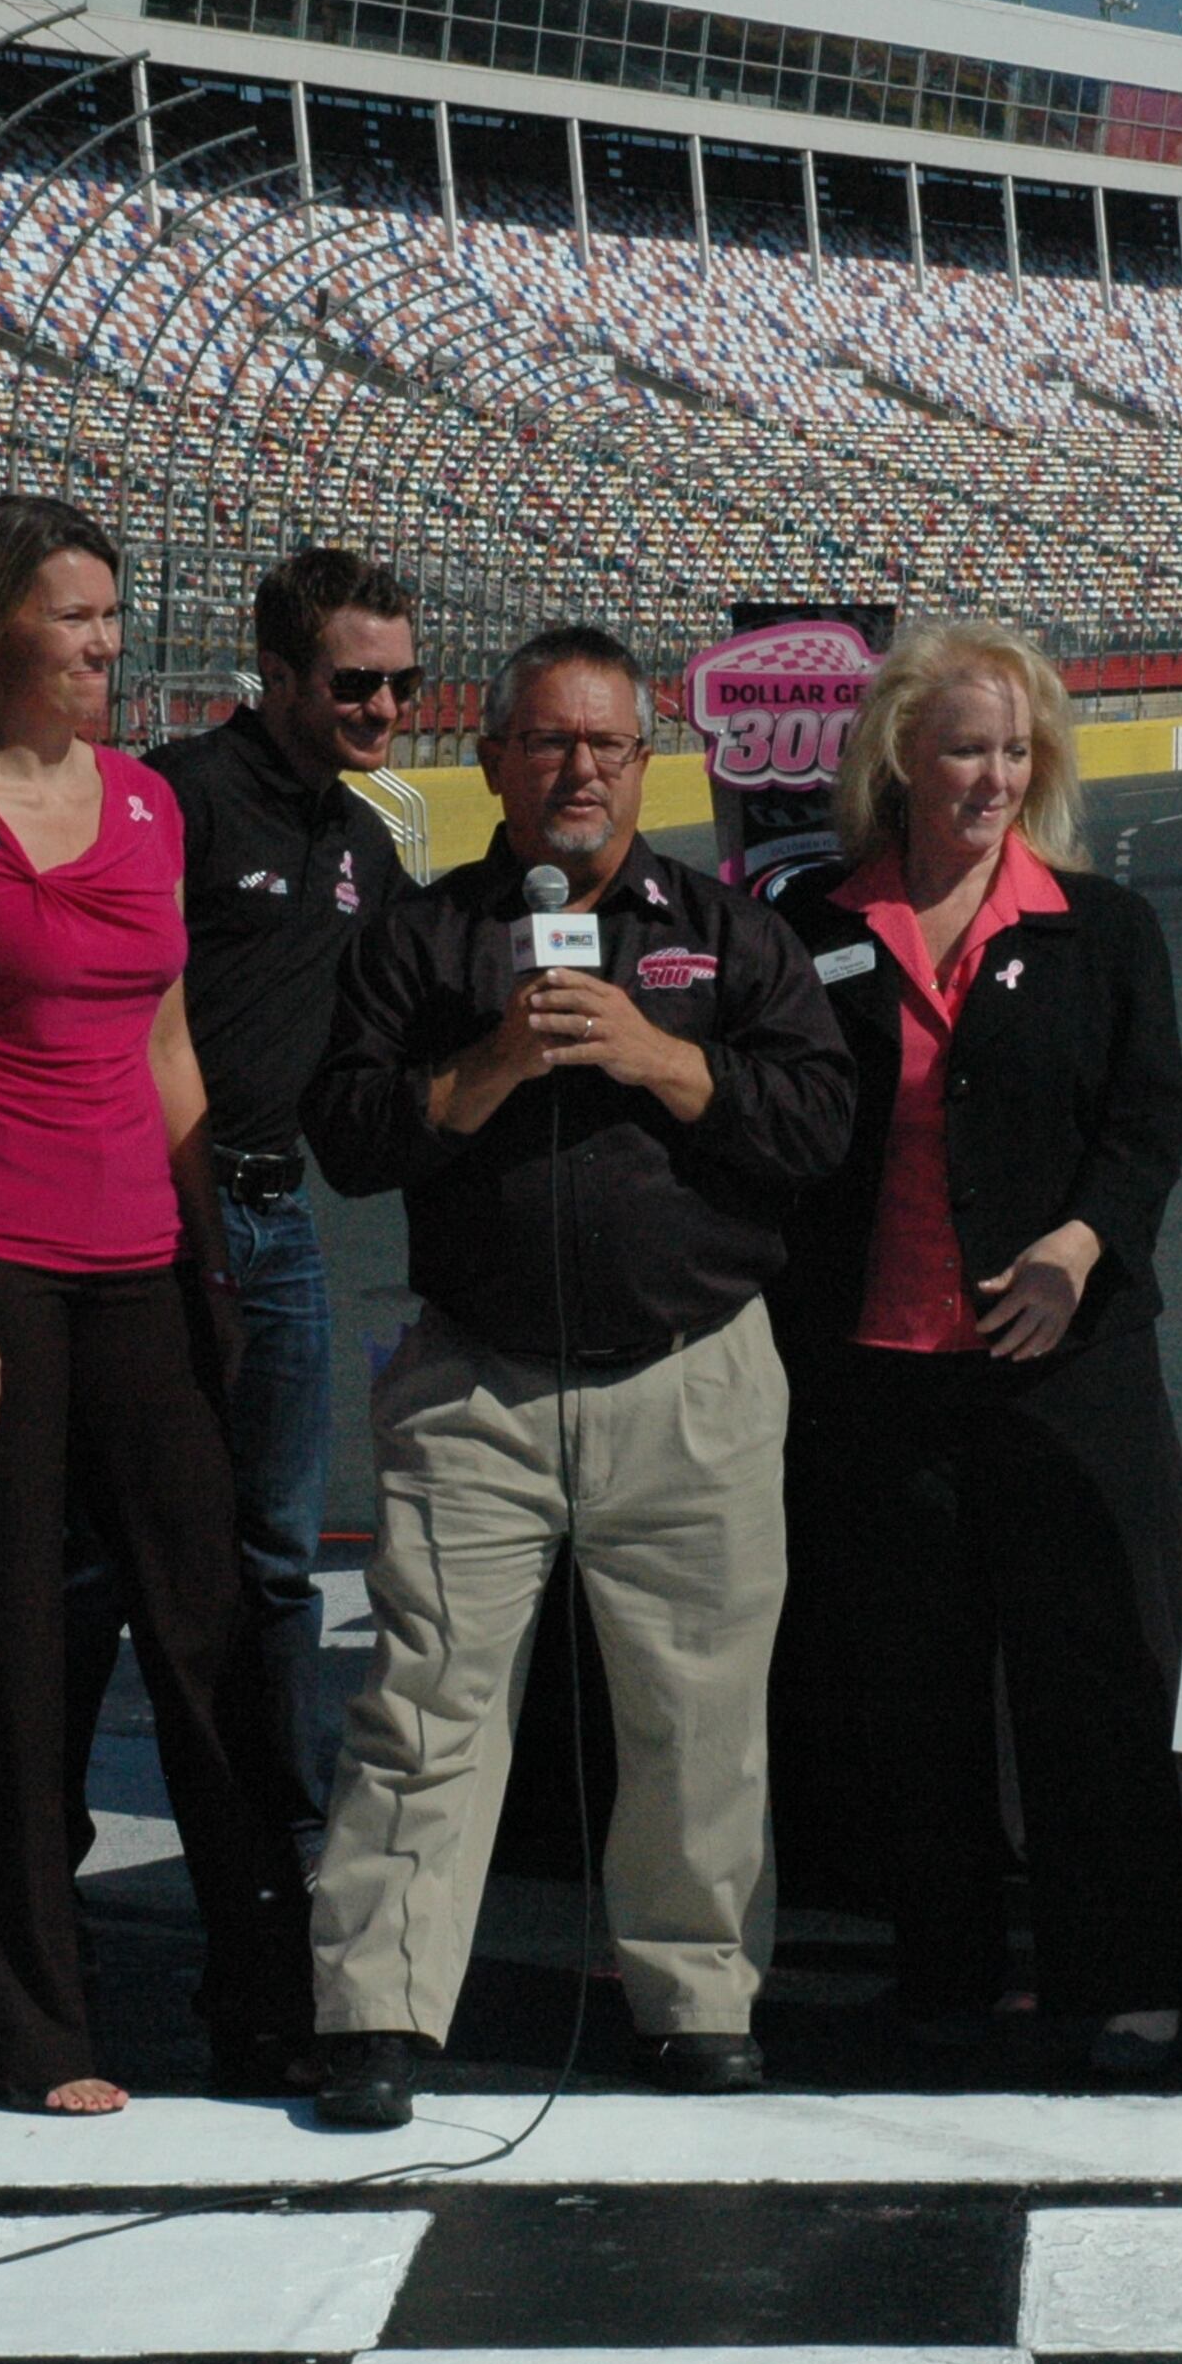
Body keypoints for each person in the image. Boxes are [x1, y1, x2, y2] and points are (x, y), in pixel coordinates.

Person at [298, 624, 853, 2126]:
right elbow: (347, 1138)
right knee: (425, 1703)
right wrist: (482, 1071)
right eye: (547, 741)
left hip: (693, 1377)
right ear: (492, 761)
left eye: (607, 744)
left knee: (698, 1716)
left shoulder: (729, 933)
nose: (579, 772)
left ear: (645, 764)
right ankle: (377, 2007)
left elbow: (818, 1126)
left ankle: (698, 1997)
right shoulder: (422, 940)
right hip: (476, 1384)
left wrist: (665, 1060)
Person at [0, 492, 312, 2113]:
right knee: (10, 1653)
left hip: (145, 1263)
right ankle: (28, 2028)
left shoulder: (146, 804)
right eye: (75, 615)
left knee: (209, 1628)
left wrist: (210, 1256)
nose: (108, 643)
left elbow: (169, 1045)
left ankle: (269, 1997)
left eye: (114, 613)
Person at [770, 621, 1182, 2077]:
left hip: (1069, 1372)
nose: (996, 777)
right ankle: (944, 1963)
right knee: (914, 1689)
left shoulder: (1103, 927)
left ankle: (1122, 1967)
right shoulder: (811, 924)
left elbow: (1149, 1122)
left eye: (1017, 751)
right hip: (879, 1371)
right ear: (901, 754)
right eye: (967, 748)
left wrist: (1081, 1246)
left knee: (1095, 1679)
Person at [99, 548, 419, 1834]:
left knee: (279, 1552)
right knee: (109, 1543)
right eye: (355, 683)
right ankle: (42, 1828)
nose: (384, 708)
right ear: (276, 675)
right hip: (144, 1217)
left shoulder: (364, 837)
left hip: (278, 1220)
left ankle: (279, 1831)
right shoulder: (172, 800)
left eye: (401, 684)